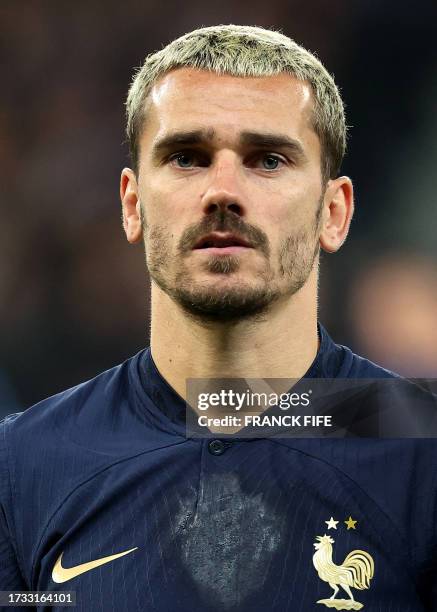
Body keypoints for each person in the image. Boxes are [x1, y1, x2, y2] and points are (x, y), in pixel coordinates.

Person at [1, 25, 436, 612]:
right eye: (187, 157)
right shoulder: (21, 466)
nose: (223, 191)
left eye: (268, 159)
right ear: (132, 206)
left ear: (334, 213)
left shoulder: (421, 446)